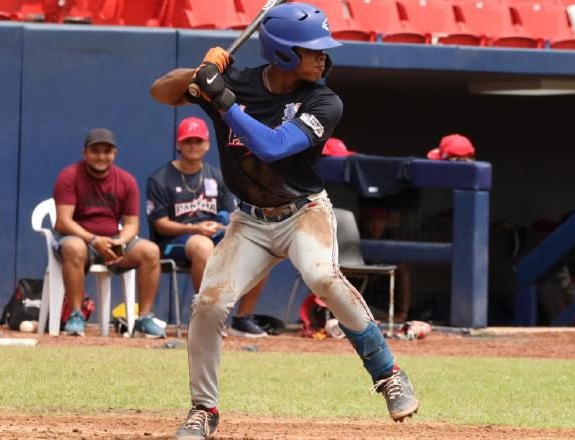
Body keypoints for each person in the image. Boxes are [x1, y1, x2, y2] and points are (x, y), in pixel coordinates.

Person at [150, 3, 419, 438]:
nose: (323, 57)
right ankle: (204, 410)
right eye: (312, 50)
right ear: (283, 54)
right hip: (250, 221)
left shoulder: (324, 100)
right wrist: (200, 73)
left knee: (324, 278)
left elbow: (273, 146)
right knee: (209, 304)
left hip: (303, 212)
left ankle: (389, 375)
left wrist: (222, 101)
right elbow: (161, 92)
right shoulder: (236, 81)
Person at [146, 116, 269, 338]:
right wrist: (195, 229)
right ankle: (206, 318)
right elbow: (160, 224)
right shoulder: (160, 178)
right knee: (202, 245)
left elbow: (233, 215)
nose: (193, 146)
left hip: (213, 236)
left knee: (262, 248)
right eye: (188, 141)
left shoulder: (217, 176)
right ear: (178, 144)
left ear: (207, 144)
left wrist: (221, 226)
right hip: (173, 242)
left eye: (198, 141)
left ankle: (242, 319)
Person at [52, 128, 165, 338]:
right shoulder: (69, 176)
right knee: (74, 247)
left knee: (150, 251)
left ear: (115, 154)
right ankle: (76, 315)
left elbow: (132, 224)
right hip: (79, 241)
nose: (101, 156)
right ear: (84, 152)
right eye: (95, 151)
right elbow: (63, 221)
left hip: (112, 241)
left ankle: (144, 318)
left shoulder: (127, 180)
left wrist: (119, 242)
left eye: (107, 151)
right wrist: (95, 241)